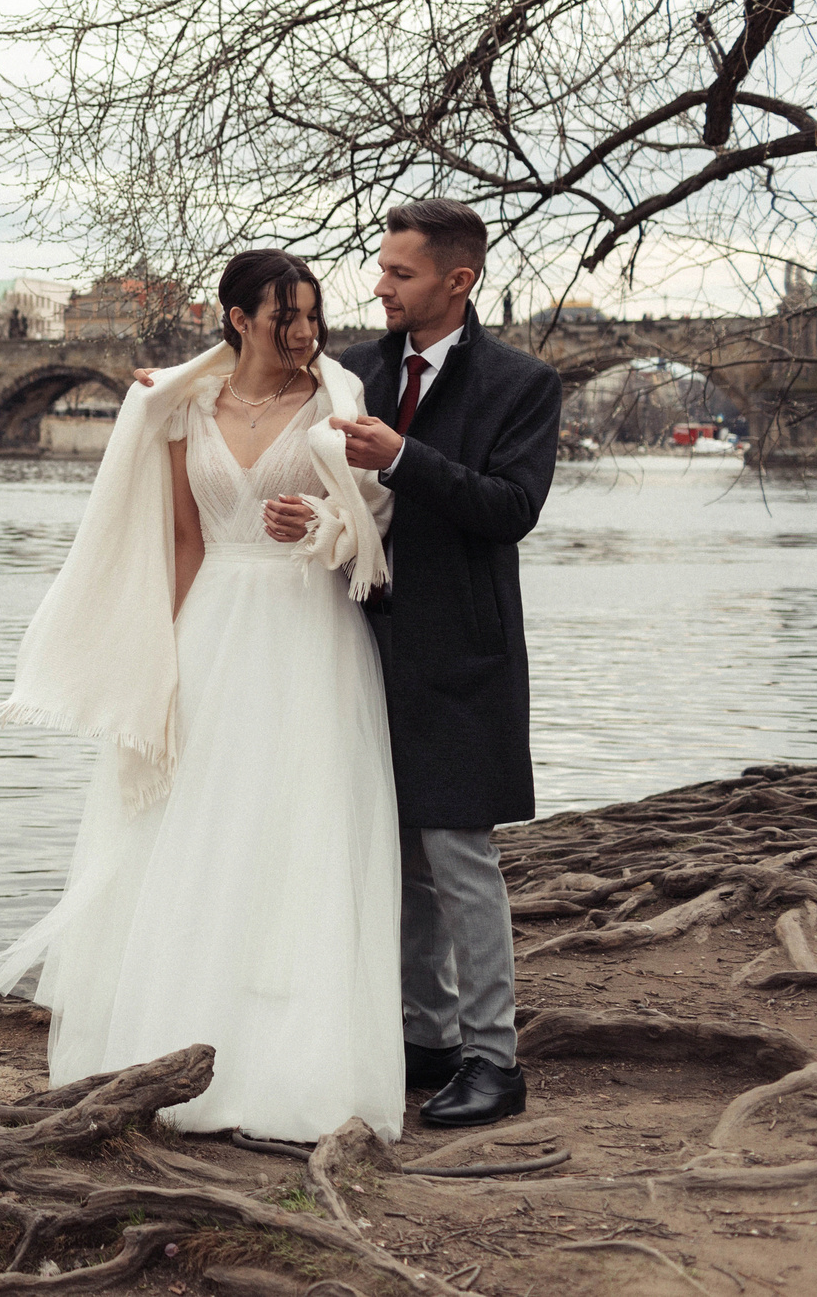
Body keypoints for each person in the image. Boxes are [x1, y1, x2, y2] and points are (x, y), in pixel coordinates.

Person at [0, 249, 404, 1142]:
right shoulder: (179, 407)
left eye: (312, 313)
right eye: (285, 315)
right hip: (214, 624)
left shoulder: (338, 399)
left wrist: (323, 523)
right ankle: (171, 1036)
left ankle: (292, 1060)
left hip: (306, 629)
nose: (304, 332)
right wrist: (161, 655)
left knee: (293, 829)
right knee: (190, 824)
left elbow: (373, 518)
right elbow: (182, 538)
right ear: (238, 318)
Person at [282, 201, 560, 1130]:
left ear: (458, 280)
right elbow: (332, 490)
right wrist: (308, 519)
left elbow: (508, 508)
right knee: (393, 852)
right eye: (381, 269)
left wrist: (406, 456)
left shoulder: (523, 384)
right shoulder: (354, 370)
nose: (380, 286)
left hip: (462, 653)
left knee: (458, 855)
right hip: (360, 641)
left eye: (399, 274)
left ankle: (495, 1059)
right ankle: (428, 1036)